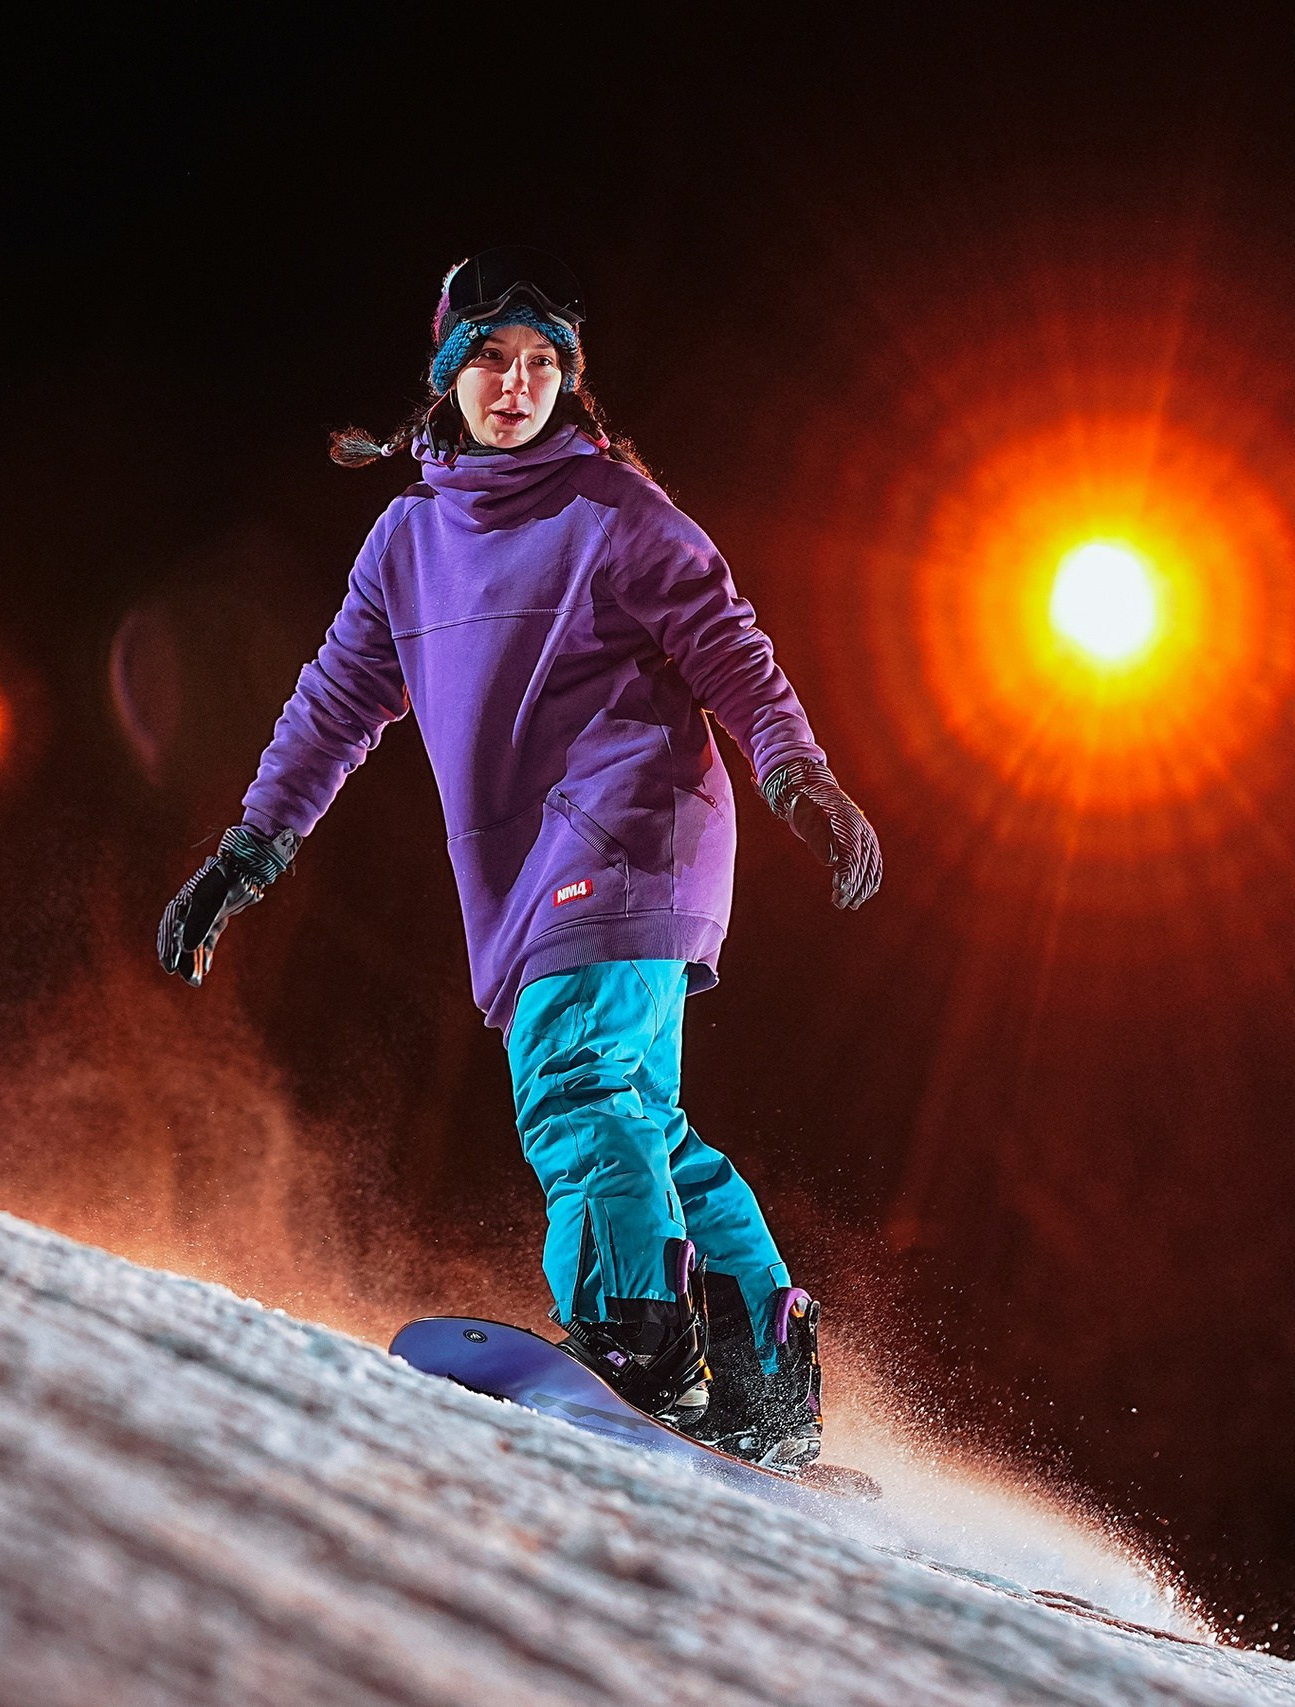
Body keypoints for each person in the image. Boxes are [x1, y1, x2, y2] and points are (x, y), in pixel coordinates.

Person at [156, 248, 881, 1468]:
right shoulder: (406, 543)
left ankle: (641, 1339)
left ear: (568, 384)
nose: (516, 385)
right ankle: (759, 1367)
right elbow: (334, 704)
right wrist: (248, 850)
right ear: (447, 376)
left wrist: (800, 775)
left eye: (542, 365)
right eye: (491, 359)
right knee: (641, 1117)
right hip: (533, 871)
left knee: (580, 1086)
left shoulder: (614, 512)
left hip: (634, 834)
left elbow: (732, 654)